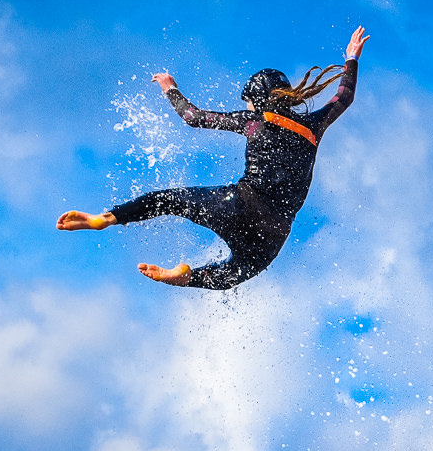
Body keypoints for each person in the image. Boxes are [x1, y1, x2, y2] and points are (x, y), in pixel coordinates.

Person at [57, 26, 369, 290]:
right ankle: (187, 277)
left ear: (257, 98)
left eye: (248, 102)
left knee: (169, 200)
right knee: (231, 275)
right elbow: (344, 97)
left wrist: (171, 89)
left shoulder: (255, 120)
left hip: (242, 204)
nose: (247, 108)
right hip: (276, 232)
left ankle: (105, 219)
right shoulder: (313, 126)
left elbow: (193, 117)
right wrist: (351, 59)